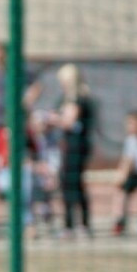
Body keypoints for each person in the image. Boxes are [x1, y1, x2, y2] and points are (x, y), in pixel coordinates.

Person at [49, 63, 94, 237]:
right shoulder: (65, 98)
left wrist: (54, 119)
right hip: (68, 145)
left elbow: (68, 121)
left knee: (73, 184)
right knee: (68, 184)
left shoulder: (80, 99)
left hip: (78, 146)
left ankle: (79, 224)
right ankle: (71, 224)